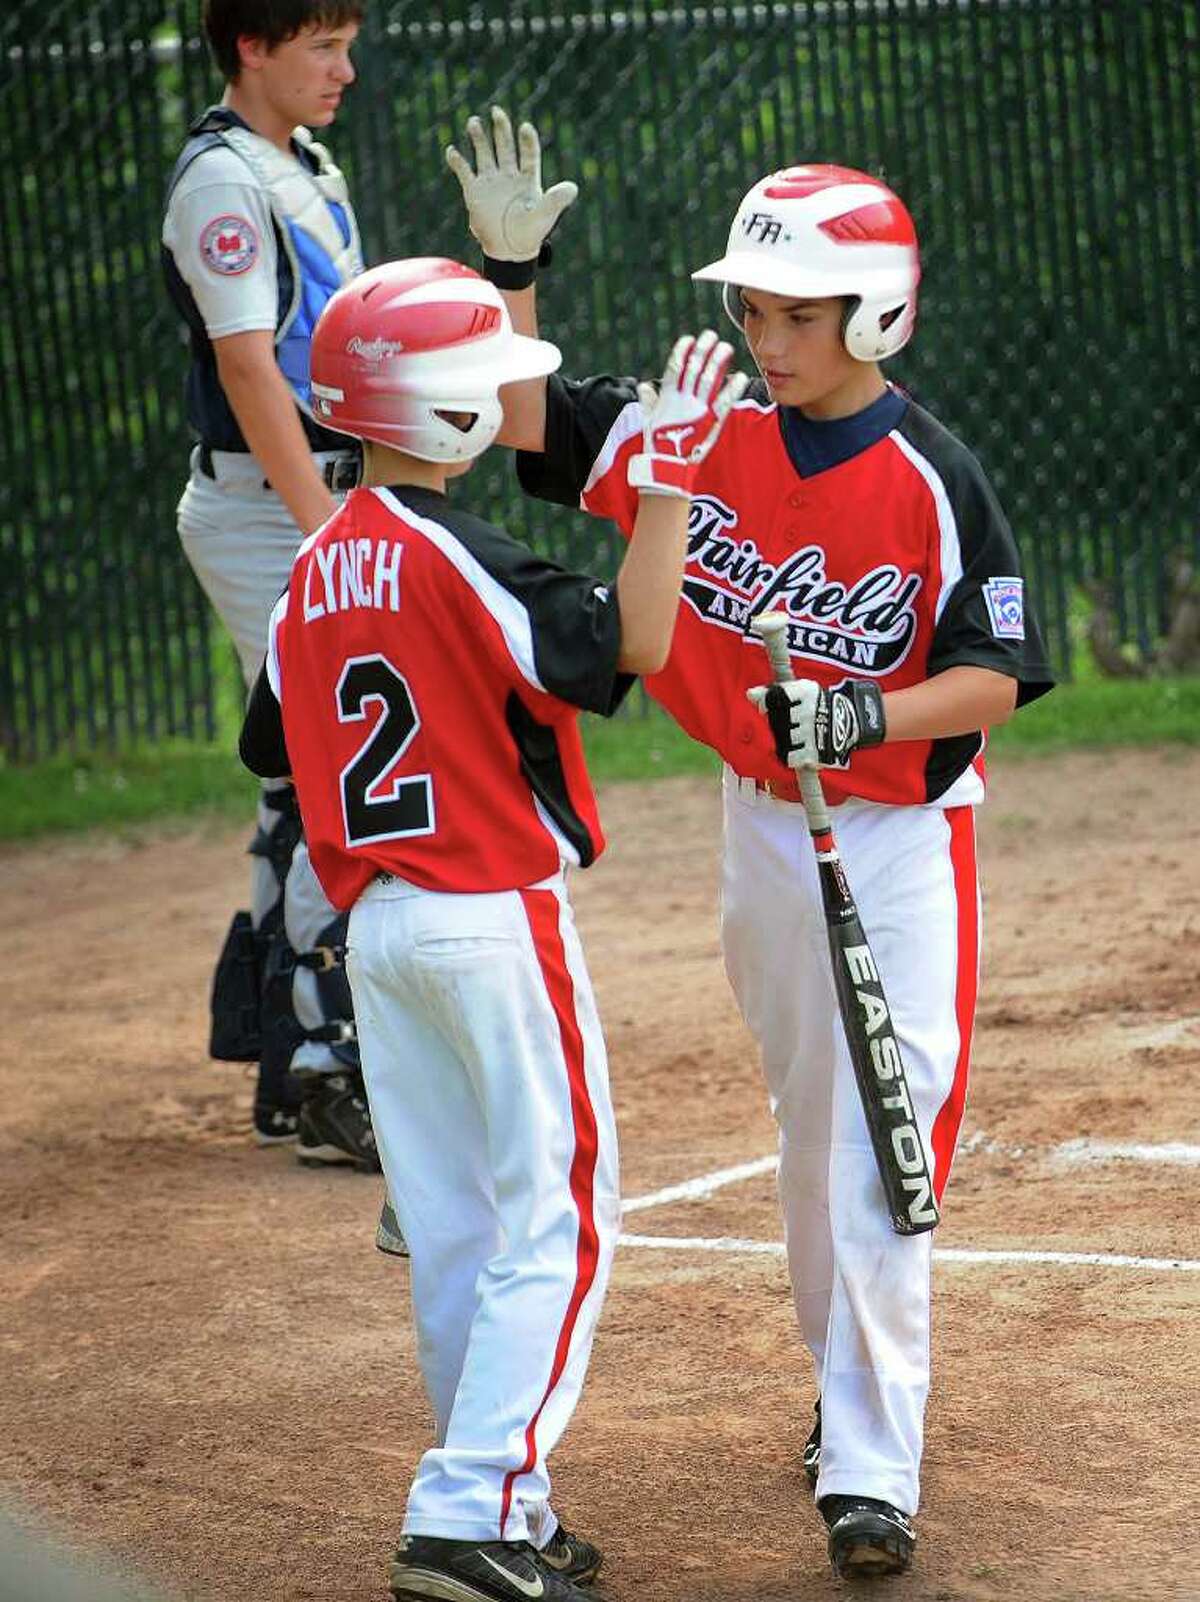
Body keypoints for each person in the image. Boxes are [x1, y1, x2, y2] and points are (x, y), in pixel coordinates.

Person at [445, 111, 1055, 1580]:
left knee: (883, 1141)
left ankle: (872, 1463)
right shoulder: (705, 421)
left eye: (797, 311)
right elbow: (521, 421)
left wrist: (863, 711)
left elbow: (1003, 671)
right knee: (808, 1139)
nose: (766, 336)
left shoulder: (932, 474)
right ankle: (841, 1403)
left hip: (896, 839)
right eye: (754, 308)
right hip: (760, 837)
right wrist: (508, 272)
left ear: (877, 310)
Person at [238, 255, 744, 1601]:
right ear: (436, 414)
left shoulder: (311, 569)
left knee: (458, 1229)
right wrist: (672, 485)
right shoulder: (461, 549)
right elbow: (632, 640)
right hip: (490, 915)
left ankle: (503, 1497)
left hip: (380, 940)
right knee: (564, 1215)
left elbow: (269, 739)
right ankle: (465, 1508)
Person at [161, 0, 380, 1168]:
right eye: (323, 46)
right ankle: (324, 1067)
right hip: (269, 508)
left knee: (304, 760)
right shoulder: (219, 183)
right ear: (252, 47)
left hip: (311, 495)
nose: (347, 67)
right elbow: (251, 370)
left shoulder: (300, 162)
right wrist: (331, 532)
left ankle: (271, 1031)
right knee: (333, 761)